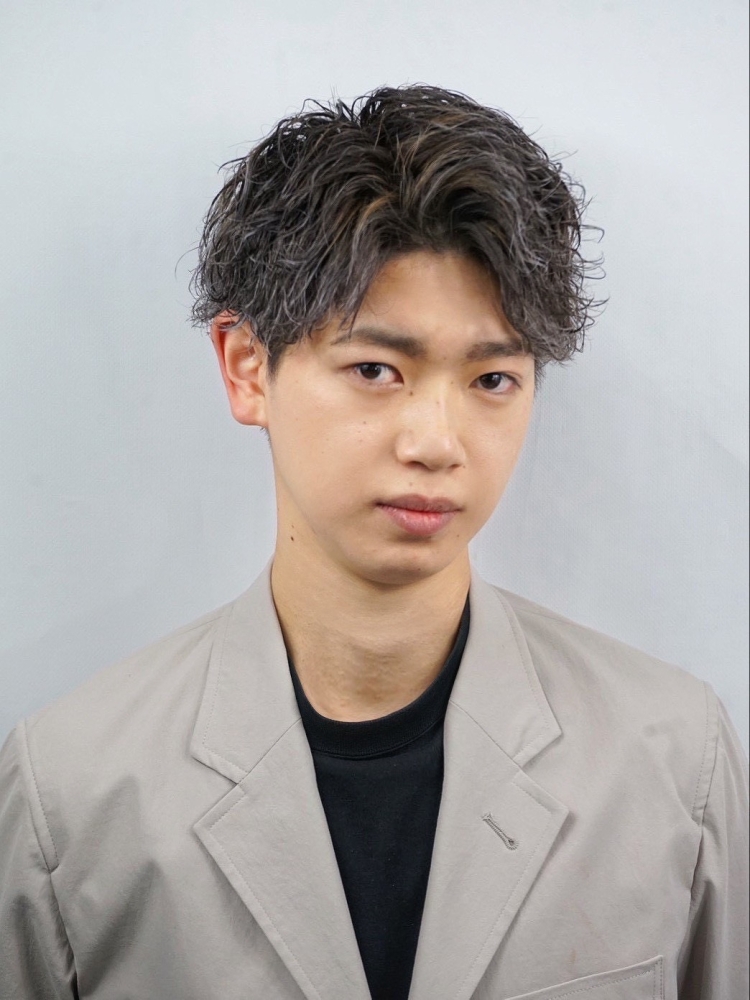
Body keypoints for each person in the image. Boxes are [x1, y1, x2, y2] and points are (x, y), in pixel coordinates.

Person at [0, 84, 746, 1000]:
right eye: (375, 369)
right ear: (246, 367)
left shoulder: (674, 758)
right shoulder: (70, 791)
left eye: (493, 379)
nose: (436, 442)